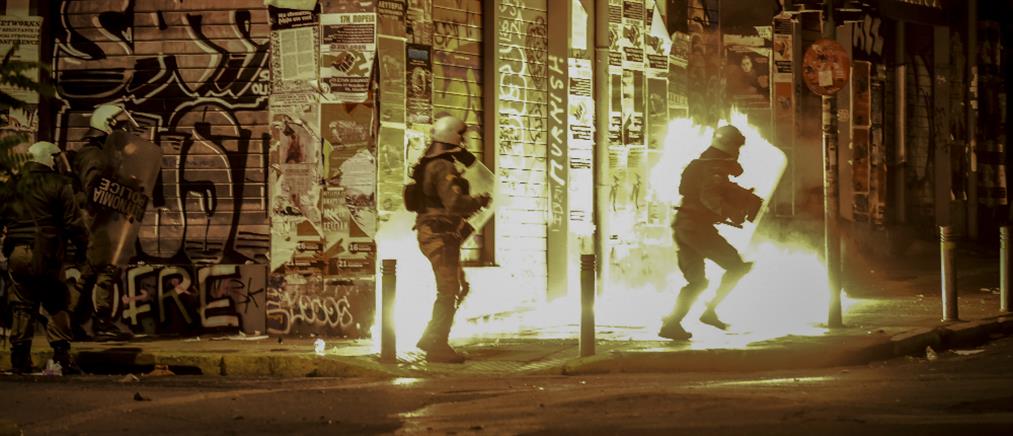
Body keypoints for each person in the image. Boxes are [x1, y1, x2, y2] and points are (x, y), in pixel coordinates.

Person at [659, 125, 756, 340]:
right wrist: (733, 212)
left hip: (684, 227)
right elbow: (709, 197)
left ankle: (672, 324)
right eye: (737, 146)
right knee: (737, 267)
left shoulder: (704, 163)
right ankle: (710, 311)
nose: (738, 151)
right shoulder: (714, 167)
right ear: (729, 145)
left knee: (698, 282)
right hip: (697, 229)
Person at [409, 115, 491, 363]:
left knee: (458, 287)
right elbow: (454, 202)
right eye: (462, 136)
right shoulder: (442, 166)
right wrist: (479, 201)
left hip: (438, 233)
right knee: (448, 291)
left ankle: (431, 337)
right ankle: (437, 346)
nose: (464, 142)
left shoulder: (429, 163)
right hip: (439, 235)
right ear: (454, 137)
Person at [3, 141, 89, 373]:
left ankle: (19, 359)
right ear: (48, 159)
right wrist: (84, 250)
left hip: (17, 252)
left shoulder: (12, 184)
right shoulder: (59, 183)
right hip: (47, 251)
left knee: (22, 304)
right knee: (57, 300)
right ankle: (61, 356)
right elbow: (73, 223)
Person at [72, 104, 137, 342]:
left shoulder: (102, 153)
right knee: (104, 270)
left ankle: (73, 323)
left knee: (91, 274)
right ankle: (100, 323)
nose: (124, 132)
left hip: (101, 221)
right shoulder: (95, 155)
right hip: (97, 222)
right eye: (121, 127)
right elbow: (93, 191)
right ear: (107, 126)